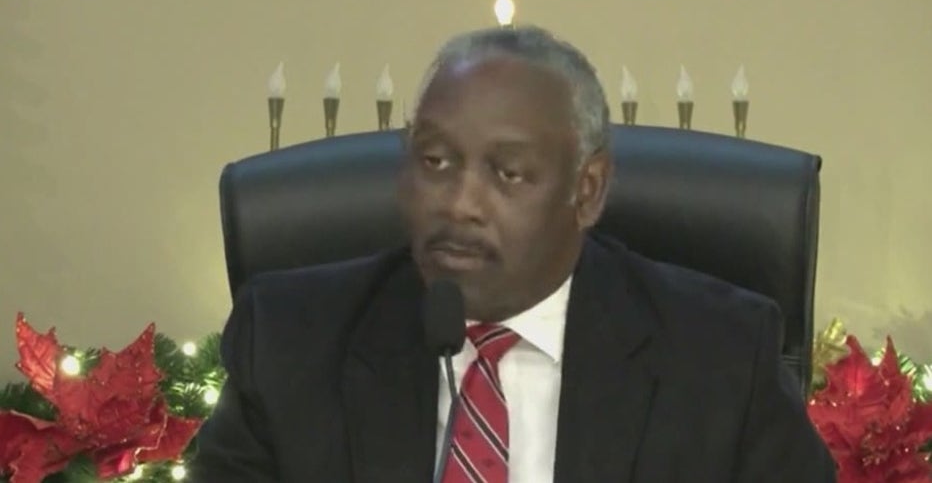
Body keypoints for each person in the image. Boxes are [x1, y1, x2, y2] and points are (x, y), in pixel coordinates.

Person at [190, 25, 836, 482]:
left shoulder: (720, 355)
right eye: (435, 161)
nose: (459, 204)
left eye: (507, 173)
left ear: (587, 190)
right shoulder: (290, 341)